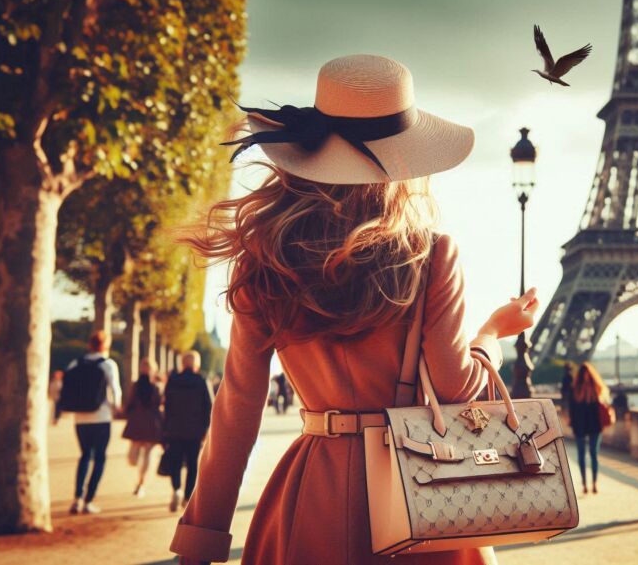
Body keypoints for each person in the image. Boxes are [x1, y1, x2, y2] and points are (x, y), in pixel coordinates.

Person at [168, 55, 539, 565]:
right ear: (406, 160)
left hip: (311, 495)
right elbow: (457, 389)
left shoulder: (263, 258)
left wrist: (201, 537)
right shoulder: (431, 255)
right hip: (422, 496)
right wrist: (491, 334)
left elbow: (237, 408)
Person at [66, 331, 122, 515]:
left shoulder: (75, 363)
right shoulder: (107, 364)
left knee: (84, 456)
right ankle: (89, 500)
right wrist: (116, 407)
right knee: (100, 458)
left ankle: (77, 498)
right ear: (106, 345)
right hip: (101, 417)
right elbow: (116, 390)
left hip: (80, 418)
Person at [163, 350, 213, 512]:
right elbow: (209, 407)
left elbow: (167, 406)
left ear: (182, 363)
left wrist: (166, 428)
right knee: (192, 464)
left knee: (175, 461)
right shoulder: (201, 381)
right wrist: (206, 429)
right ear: (196, 364)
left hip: (175, 428)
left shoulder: (173, 380)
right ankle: (186, 497)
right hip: (195, 430)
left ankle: (176, 489)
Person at [122, 358, 164, 497]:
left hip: (147, 422)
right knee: (133, 458)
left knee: (147, 454)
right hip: (143, 421)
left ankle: (141, 483)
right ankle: (141, 482)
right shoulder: (141, 385)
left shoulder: (154, 385)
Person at [568, 362, 608, 495]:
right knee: (582, 455)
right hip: (582, 426)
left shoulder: (596, 390)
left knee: (593, 454)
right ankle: (585, 483)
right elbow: (572, 410)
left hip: (594, 426)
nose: (585, 376)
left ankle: (594, 483)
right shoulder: (577, 390)